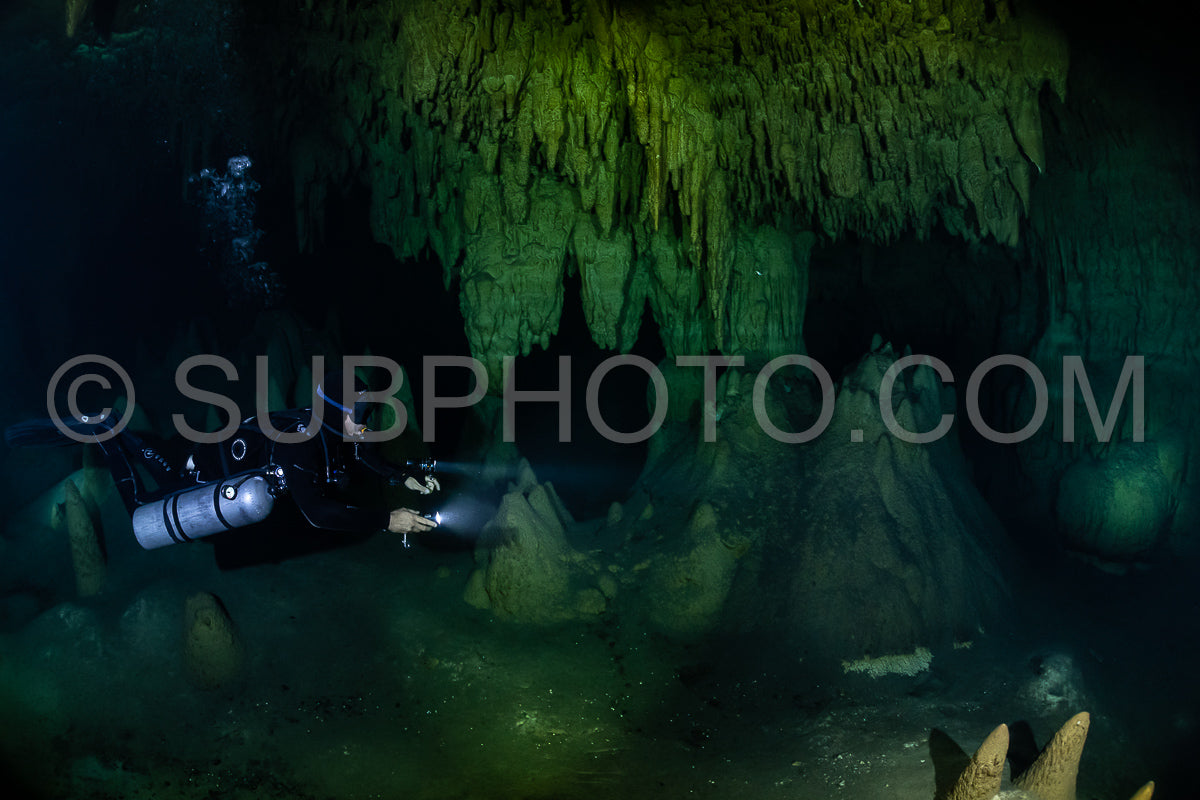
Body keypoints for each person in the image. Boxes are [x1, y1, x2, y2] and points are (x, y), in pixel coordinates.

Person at [4, 369, 440, 551]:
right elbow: (319, 514)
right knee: (140, 509)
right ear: (334, 411)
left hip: (217, 457)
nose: (365, 424)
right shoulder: (299, 442)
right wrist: (386, 520)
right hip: (191, 465)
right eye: (358, 414)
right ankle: (106, 430)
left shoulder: (330, 432)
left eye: (367, 415)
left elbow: (365, 459)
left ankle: (117, 430)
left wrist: (406, 477)